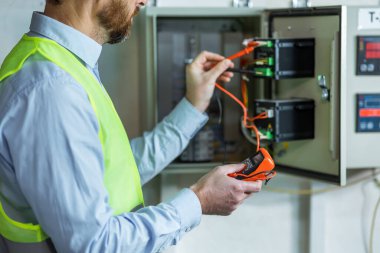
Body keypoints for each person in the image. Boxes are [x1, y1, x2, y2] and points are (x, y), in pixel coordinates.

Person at [0, 0, 262, 252]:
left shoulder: (61, 64)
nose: (144, 2)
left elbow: (110, 170)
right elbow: (95, 246)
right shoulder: (52, 89)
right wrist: (199, 200)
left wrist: (193, 106)